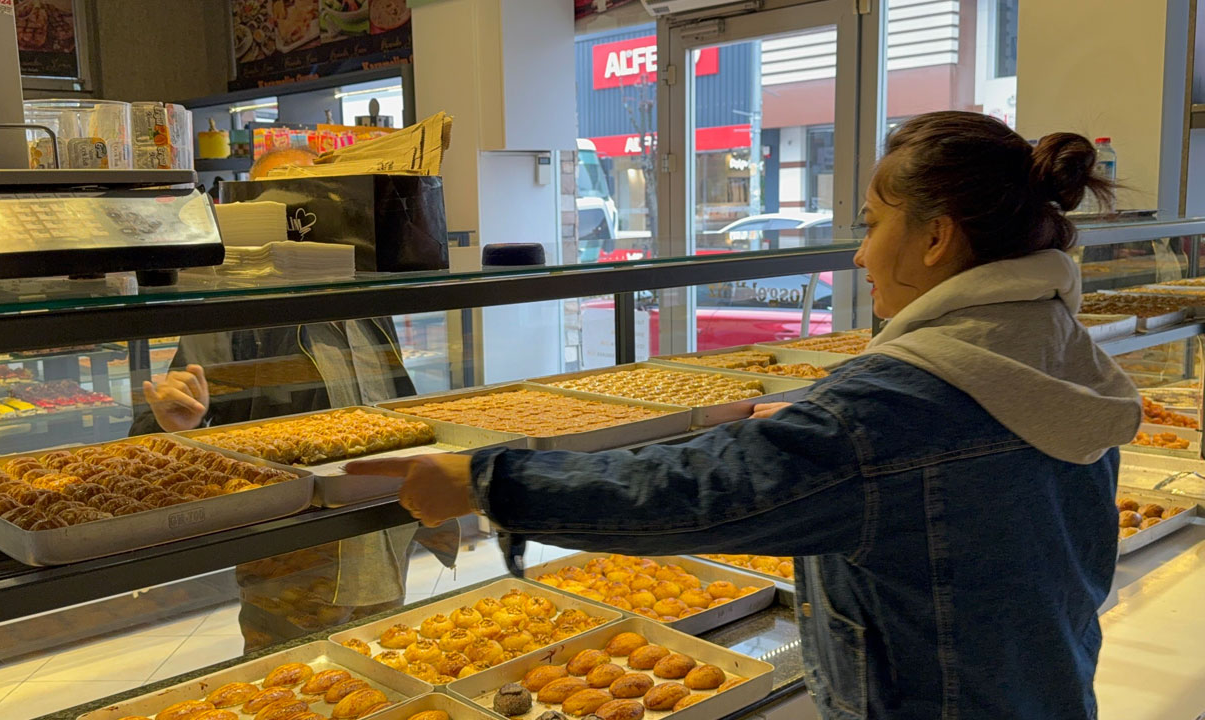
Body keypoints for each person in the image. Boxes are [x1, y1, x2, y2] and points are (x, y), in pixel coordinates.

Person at [347, 112, 1141, 719]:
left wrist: (487, 478)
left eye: (870, 224)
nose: (860, 256)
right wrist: (820, 422)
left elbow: (689, 491)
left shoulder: (889, 412)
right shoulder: (1059, 352)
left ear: (936, 237)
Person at [131, 147, 446, 651]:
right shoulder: (239, 312)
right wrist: (173, 422)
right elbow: (169, 418)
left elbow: (392, 403)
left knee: (377, 667)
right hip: (292, 547)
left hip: (378, 530)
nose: (298, 219)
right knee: (286, 679)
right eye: (276, 202)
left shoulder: (367, 299)